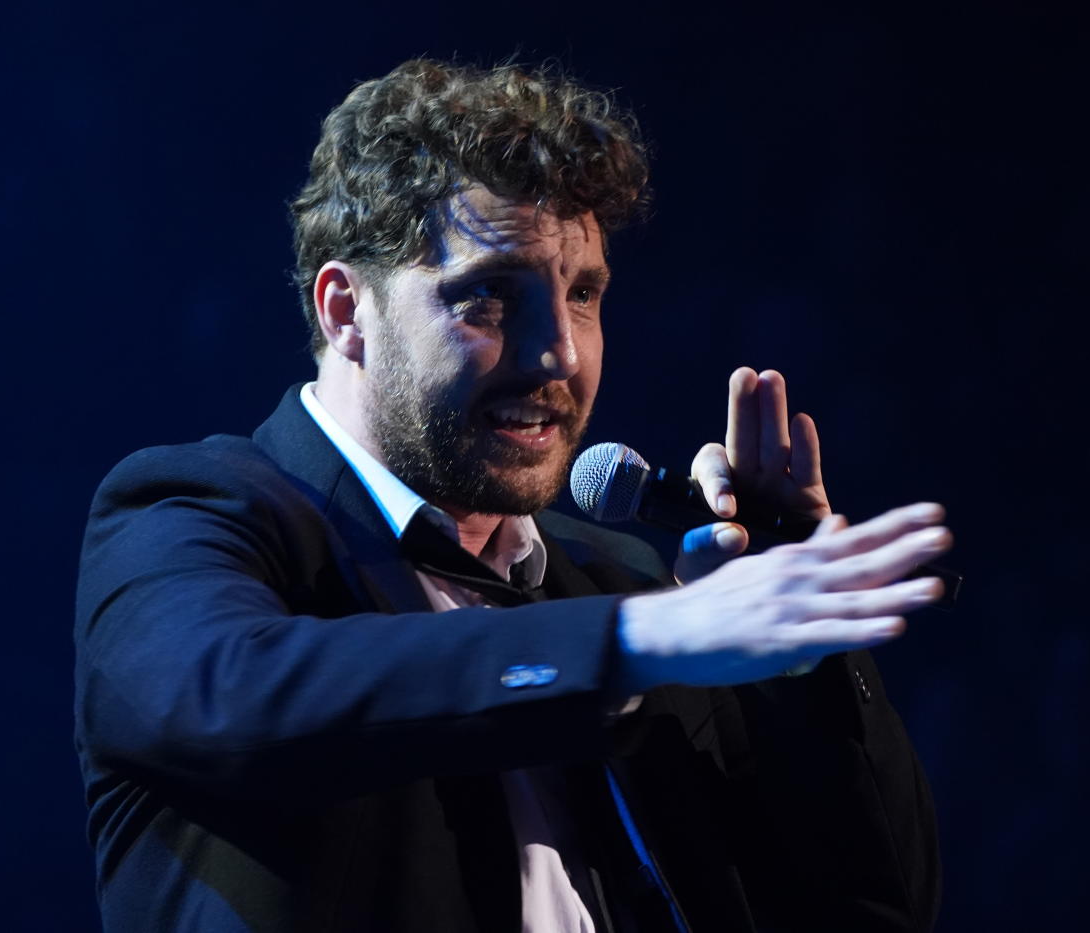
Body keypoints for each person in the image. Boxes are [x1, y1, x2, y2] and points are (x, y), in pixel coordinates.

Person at [74, 59, 948, 932]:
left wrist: (796, 652)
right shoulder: (195, 509)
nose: (559, 354)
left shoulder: (623, 582)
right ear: (347, 311)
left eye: (584, 293)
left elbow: (879, 906)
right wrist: (643, 639)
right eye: (491, 297)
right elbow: (234, 697)